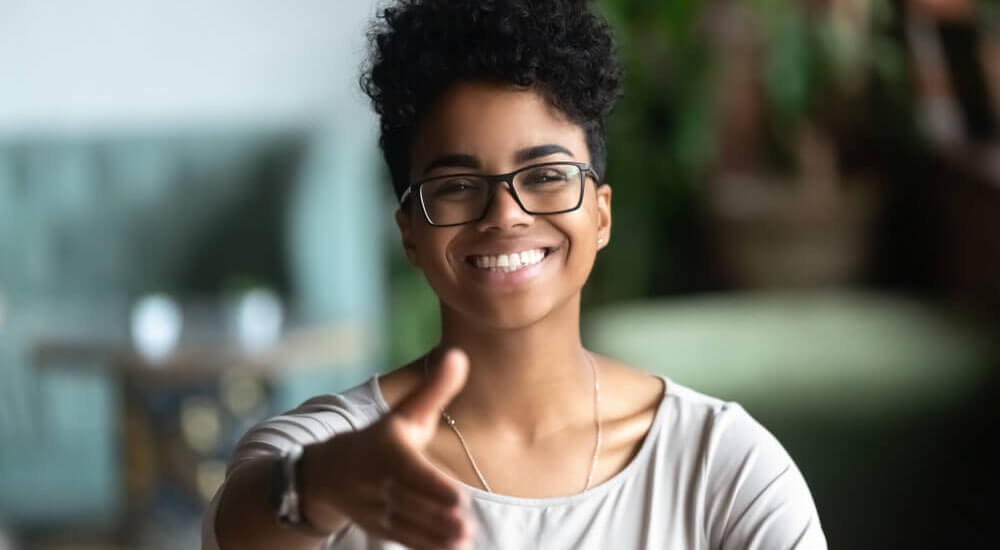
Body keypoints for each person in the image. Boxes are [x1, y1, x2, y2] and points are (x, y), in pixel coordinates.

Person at [204, 1, 827, 548]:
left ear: (601, 214)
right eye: (455, 186)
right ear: (410, 235)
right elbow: (242, 529)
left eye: (547, 175)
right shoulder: (337, 450)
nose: (505, 214)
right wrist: (321, 486)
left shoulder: (721, 464)